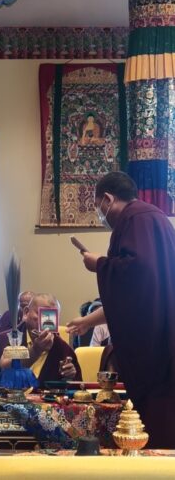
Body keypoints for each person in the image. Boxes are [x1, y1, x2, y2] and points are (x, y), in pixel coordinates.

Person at [67, 171, 175, 448]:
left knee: (156, 421)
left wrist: (99, 264)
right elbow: (133, 298)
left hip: (153, 346)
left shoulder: (136, 220)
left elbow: (137, 274)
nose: (100, 215)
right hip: (162, 330)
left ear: (107, 199)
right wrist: (88, 321)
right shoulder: (155, 218)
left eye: (97, 207)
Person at [0, 292, 81, 391]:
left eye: (53, 316)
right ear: (26, 313)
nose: (45, 321)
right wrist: (36, 350)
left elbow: (74, 390)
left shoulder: (63, 349)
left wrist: (69, 377)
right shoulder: (5, 339)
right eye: (41, 314)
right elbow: (3, 369)